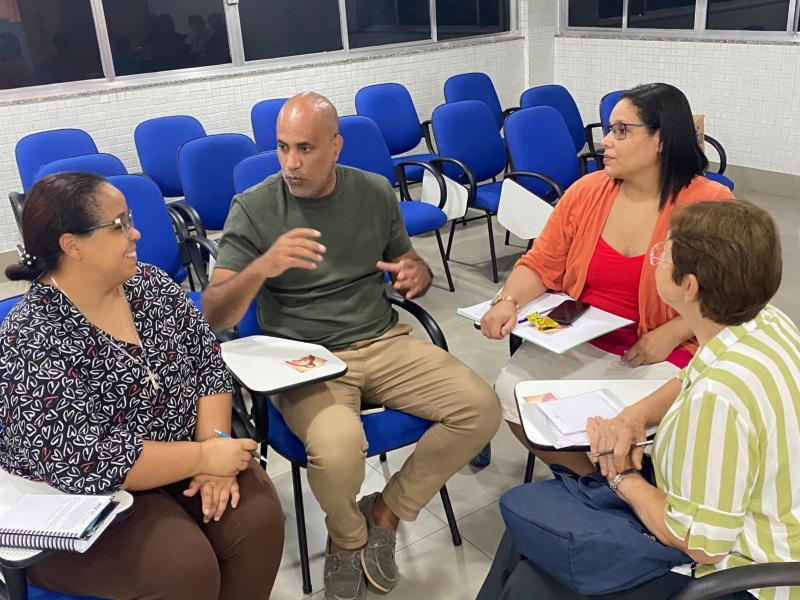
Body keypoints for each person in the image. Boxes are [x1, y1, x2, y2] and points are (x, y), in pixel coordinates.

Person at [202, 92, 502, 600]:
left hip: (382, 340)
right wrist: (263, 266)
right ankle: (346, 537)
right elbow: (214, 314)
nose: (291, 163)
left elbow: (409, 264)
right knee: (338, 447)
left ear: (336, 147)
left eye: (305, 148)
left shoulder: (373, 191)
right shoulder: (254, 207)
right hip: (303, 359)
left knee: (482, 408)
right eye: (282, 147)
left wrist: (417, 275)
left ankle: (386, 511)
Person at [477, 199, 798, 600]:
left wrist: (620, 478)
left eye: (664, 253)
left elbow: (702, 544)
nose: (655, 257)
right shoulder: (765, 322)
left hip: (740, 577)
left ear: (689, 286)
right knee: (528, 529)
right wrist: (634, 416)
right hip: (750, 524)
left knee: (531, 583)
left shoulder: (719, 398)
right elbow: (689, 377)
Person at [0, 172, 285, 600]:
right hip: (81, 494)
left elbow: (208, 363)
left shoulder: (149, 286)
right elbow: (91, 459)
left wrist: (214, 450)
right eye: (118, 225)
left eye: (129, 219)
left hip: (179, 454)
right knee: (181, 567)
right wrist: (204, 456)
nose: (135, 233)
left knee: (257, 518)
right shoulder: (32, 336)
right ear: (72, 245)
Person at [479, 83, 735, 474]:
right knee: (511, 392)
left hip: (667, 348)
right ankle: (596, 483)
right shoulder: (586, 192)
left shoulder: (709, 204)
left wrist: (671, 334)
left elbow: (728, 297)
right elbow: (541, 263)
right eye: (608, 129)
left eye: (621, 131)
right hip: (580, 340)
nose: (606, 141)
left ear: (661, 140)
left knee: (656, 412)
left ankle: (631, 481)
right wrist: (507, 301)